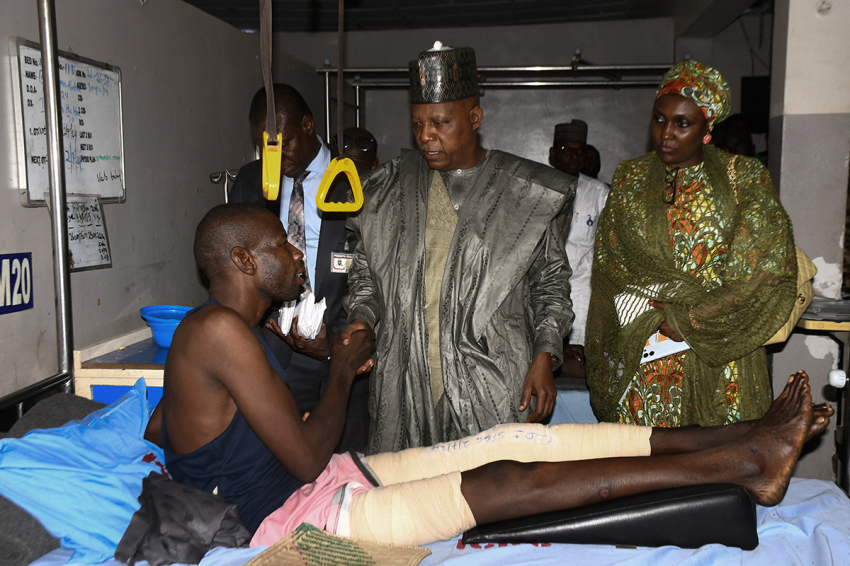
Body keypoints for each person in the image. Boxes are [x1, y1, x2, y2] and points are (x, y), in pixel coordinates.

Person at [146, 203, 832, 549]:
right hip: (288, 524)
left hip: (322, 483)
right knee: (508, 482)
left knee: (515, 439)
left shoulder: (240, 331)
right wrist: (342, 373)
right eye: (281, 245)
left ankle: (742, 436)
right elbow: (301, 455)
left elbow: (167, 425)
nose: (297, 254)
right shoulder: (215, 330)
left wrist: (312, 359)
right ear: (243, 260)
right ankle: (742, 466)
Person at [342, 43, 576, 453]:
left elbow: (551, 285)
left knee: (494, 486)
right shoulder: (390, 188)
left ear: (474, 118)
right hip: (406, 379)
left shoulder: (525, 192)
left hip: (493, 377)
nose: (425, 136)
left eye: (440, 123)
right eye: (417, 124)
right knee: (410, 488)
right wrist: (362, 317)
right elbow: (366, 272)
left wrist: (545, 354)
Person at [586, 60, 798, 428]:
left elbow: (766, 268)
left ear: (707, 127)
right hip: (646, 346)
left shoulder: (743, 178)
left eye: (682, 123)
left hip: (721, 346)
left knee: (720, 453)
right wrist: (650, 312)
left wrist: (691, 317)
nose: (666, 134)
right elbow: (610, 261)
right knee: (646, 451)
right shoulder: (631, 177)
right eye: (659, 119)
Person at [228, 84, 369, 452]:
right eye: (264, 147)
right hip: (274, 354)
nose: (274, 158)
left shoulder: (359, 182)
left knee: (345, 466)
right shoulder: (250, 183)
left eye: (283, 143)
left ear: (308, 125)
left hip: (342, 353)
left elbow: (379, 276)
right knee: (283, 464)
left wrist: (336, 344)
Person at [549, 121, 610, 379]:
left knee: (579, 362)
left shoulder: (598, 193)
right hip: (544, 291)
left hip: (582, 292)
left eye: (579, 151)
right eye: (566, 150)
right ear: (553, 154)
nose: (573, 156)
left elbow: (608, 247)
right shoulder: (537, 186)